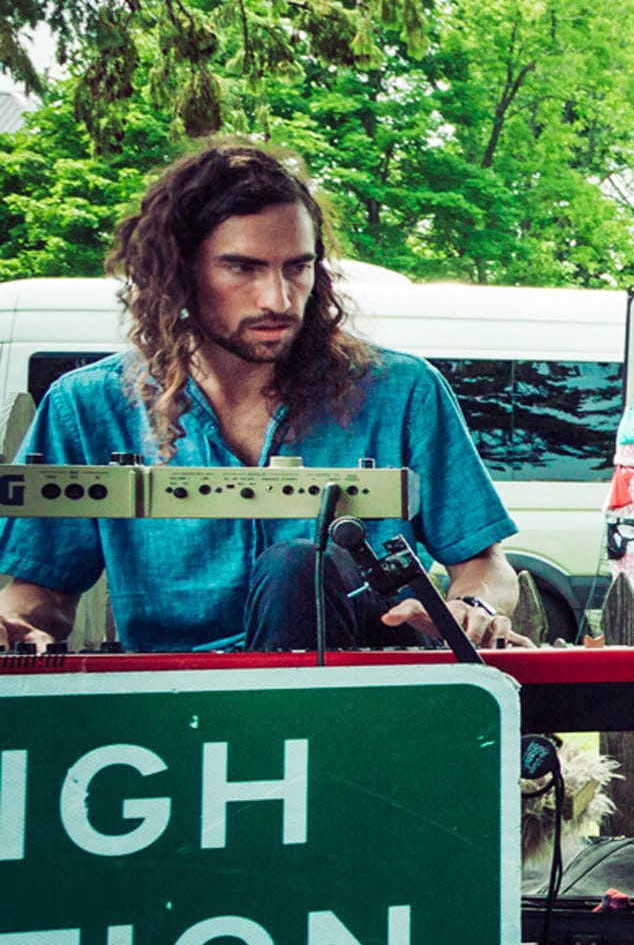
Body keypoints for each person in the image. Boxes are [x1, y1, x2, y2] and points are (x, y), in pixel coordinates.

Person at [0, 140, 521, 655]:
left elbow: (484, 564)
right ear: (180, 271)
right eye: (243, 268)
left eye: (297, 267)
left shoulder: (402, 391)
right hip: (180, 696)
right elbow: (40, 593)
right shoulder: (87, 406)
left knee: (298, 566)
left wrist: (473, 606)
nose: (278, 298)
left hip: (363, 683)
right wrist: (14, 623)